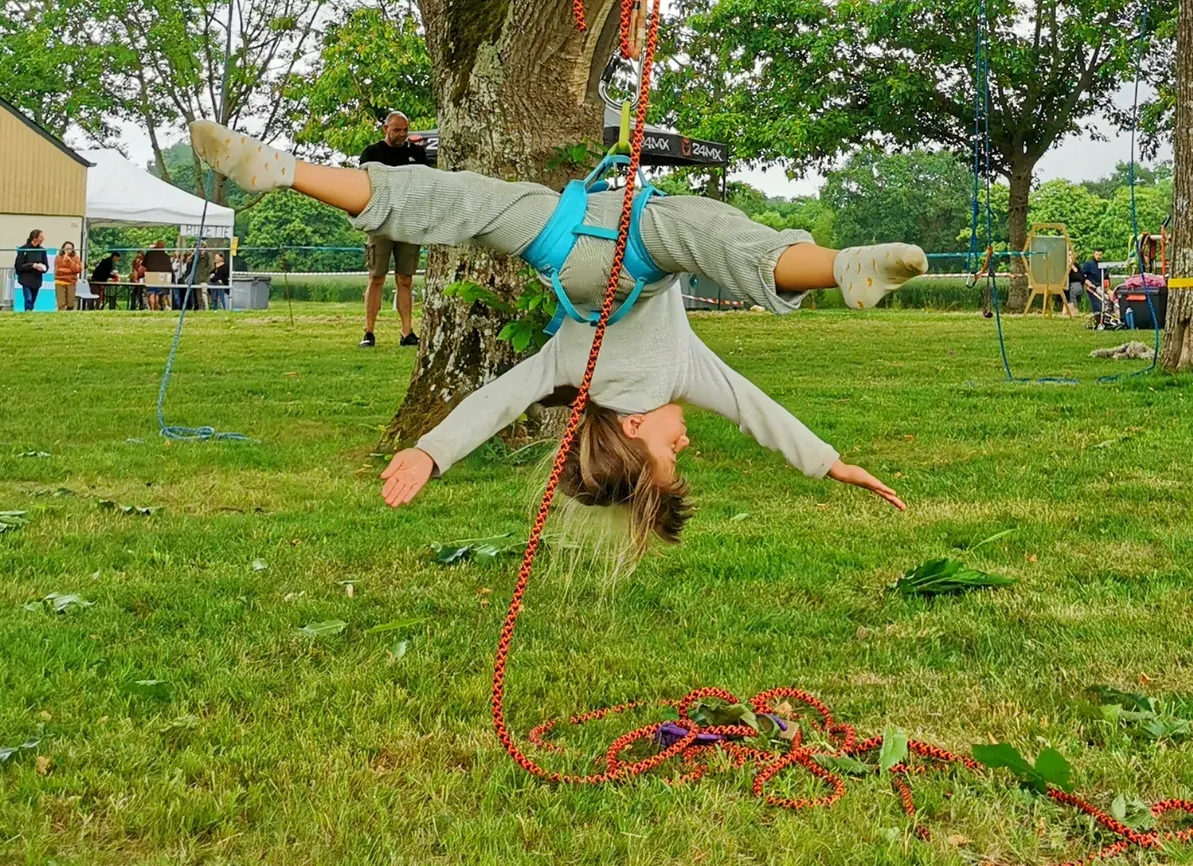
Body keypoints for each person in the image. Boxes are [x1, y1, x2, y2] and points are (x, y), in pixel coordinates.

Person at [192, 121, 927, 557]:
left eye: (671, 453)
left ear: (636, 431)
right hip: (564, 244)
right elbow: (496, 404)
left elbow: (753, 409)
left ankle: (834, 269)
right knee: (464, 205)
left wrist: (830, 464)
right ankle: (285, 174)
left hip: (621, 245)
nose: (687, 443)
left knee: (700, 234)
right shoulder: (570, 377)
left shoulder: (670, 377)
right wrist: (428, 451)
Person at [356, 111, 430, 351]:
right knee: (376, 277)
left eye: (405, 130)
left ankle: (407, 332)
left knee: (405, 279)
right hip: (380, 222)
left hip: (409, 223)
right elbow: (365, 185)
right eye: (397, 129)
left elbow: (424, 185)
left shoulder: (417, 154)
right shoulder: (372, 153)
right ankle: (369, 331)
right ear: (385, 129)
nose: (401, 134)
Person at [14, 230, 49, 312]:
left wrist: (43, 268)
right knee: (28, 298)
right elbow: (19, 265)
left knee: (33, 299)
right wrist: (32, 265)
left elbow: (46, 265)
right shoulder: (23, 249)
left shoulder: (42, 251)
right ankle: (28, 310)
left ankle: (30, 311)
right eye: (41, 237)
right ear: (35, 238)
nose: (43, 238)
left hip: (36, 279)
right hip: (26, 278)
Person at [141, 238, 174, 311]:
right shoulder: (166, 256)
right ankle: (157, 308)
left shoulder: (149, 254)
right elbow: (169, 268)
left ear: (156, 245)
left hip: (151, 275)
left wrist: (140, 275)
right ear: (163, 247)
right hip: (161, 277)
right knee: (159, 294)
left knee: (151, 293)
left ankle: (152, 309)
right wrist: (172, 278)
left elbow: (143, 266)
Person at [1080, 249, 1112, 325]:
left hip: (1103, 287)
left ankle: (1110, 314)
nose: (1098, 256)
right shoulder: (1088, 264)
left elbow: (1106, 278)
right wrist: (1088, 283)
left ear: (1102, 255)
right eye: (1097, 254)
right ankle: (1100, 317)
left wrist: (1108, 288)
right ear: (1094, 254)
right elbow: (1082, 275)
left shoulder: (1104, 265)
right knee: (1103, 299)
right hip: (1093, 287)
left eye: (1100, 255)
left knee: (1111, 295)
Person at [53, 240, 82, 311]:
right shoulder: (58, 257)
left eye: (70, 249)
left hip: (71, 282)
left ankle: (69, 314)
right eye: (67, 249)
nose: (68, 250)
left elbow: (77, 269)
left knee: (71, 303)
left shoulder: (76, 258)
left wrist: (70, 261)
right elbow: (57, 271)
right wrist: (69, 271)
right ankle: (61, 317)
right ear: (63, 248)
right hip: (60, 282)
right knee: (61, 303)